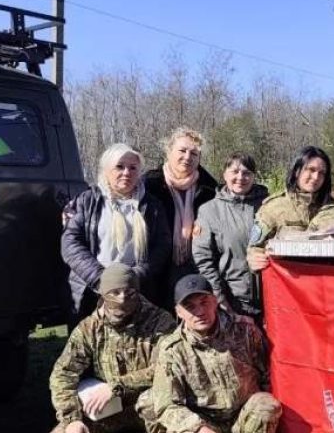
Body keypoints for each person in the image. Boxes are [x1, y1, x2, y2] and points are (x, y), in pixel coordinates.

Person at [138, 275, 281, 433]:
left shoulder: (244, 329)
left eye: (204, 302)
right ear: (178, 312)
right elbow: (166, 404)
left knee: (267, 405)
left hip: (242, 419)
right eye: (190, 307)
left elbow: (269, 375)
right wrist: (198, 429)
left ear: (215, 301)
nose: (199, 312)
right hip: (207, 422)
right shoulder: (171, 348)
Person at [45, 264, 176, 433]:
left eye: (129, 292)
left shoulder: (160, 321)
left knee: (151, 402)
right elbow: (63, 374)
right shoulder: (89, 328)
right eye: (114, 292)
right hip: (109, 410)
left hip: (152, 407)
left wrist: (115, 386)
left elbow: (167, 368)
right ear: (103, 293)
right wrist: (72, 419)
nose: (122, 298)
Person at [62, 143, 172, 318]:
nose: (126, 172)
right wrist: (101, 279)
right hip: (92, 291)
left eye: (133, 168)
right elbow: (70, 243)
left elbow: (162, 245)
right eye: (119, 167)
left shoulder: (152, 205)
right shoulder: (86, 201)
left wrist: (135, 276)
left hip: (137, 290)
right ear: (106, 170)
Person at [143, 128, 219, 298]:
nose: (187, 157)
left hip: (195, 266)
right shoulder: (149, 185)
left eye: (194, 154)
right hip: (157, 266)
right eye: (182, 151)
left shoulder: (210, 189)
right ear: (169, 151)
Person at [192, 153, 269, 319]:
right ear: (225, 174)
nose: (240, 177)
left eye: (247, 172)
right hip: (234, 301)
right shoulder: (209, 211)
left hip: (271, 297)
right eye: (235, 171)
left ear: (254, 176)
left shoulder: (270, 206)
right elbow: (203, 259)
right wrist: (220, 298)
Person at [247, 146, 334, 272]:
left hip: (324, 284)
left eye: (322, 173)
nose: (316, 177)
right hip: (287, 285)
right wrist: (254, 259)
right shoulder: (274, 207)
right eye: (311, 170)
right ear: (297, 170)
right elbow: (255, 247)